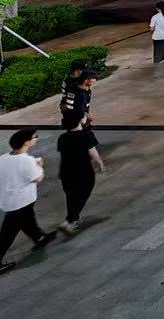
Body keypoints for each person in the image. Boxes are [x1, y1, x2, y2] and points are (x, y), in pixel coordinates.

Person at [0, 129, 56, 271]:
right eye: (34, 136)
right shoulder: (27, 160)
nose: (36, 138)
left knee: (28, 220)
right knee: (7, 234)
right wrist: (40, 165)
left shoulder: (3, 158)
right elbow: (38, 178)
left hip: (9, 200)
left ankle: (40, 238)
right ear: (27, 142)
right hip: (21, 202)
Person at [55, 113, 104, 234]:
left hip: (65, 171)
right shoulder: (87, 135)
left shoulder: (62, 137)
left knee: (71, 196)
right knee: (83, 195)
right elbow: (93, 152)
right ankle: (69, 221)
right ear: (79, 121)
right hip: (83, 170)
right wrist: (100, 164)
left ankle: (72, 219)